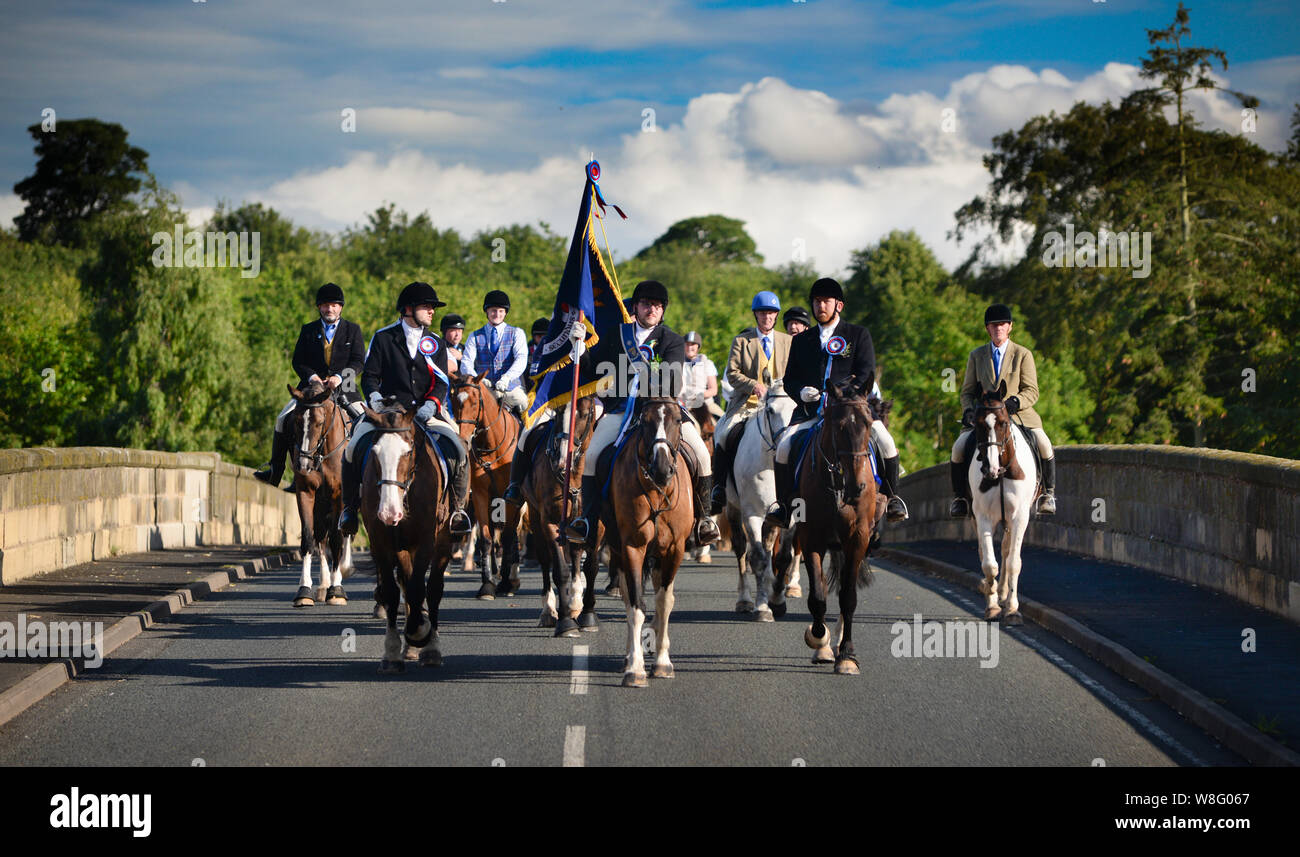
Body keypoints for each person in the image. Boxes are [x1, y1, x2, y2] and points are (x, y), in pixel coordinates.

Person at [564, 280, 721, 548]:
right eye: (647, 304)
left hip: (662, 413)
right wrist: (577, 346)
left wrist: (639, 375)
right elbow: (591, 371)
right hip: (621, 411)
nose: (652, 309)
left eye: (658, 306)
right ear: (635, 306)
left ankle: (704, 519)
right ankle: (587, 521)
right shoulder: (616, 335)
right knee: (590, 457)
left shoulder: (671, 340)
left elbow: (673, 383)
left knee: (703, 455)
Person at [765, 277, 909, 526]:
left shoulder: (858, 335)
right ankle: (785, 506)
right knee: (784, 446)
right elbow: (790, 380)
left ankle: (893, 497)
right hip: (811, 412)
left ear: (838, 306)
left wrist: (843, 394)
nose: (821, 306)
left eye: (826, 301)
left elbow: (866, 373)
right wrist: (801, 392)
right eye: (817, 301)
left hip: (850, 411)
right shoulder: (801, 340)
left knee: (886, 441)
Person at [338, 281, 472, 537]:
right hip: (388, 413)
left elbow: (442, 381)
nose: (432, 311)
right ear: (408, 309)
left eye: (433, 307)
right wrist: (375, 398)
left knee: (458, 447)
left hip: (426, 411)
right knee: (352, 447)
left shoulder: (436, 343)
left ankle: (457, 510)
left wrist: (432, 403)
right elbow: (369, 377)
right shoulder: (384, 337)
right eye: (427, 306)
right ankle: (349, 509)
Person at [254, 283, 366, 488]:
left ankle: (365, 478)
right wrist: (313, 376)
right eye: (324, 305)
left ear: (340, 307)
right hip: (311, 390)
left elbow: (359, 362)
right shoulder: (308, 330)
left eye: (333, 305)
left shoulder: (353, 330)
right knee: (281, 420)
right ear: (318, 307)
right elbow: (298, 361)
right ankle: (276, 470)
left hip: (345, 389)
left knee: (367, 422)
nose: (329, 309)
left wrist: (339, 378)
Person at [949, 304, 1056, 517]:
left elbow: (1032, 390)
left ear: (1010, 327)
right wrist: (969, 411)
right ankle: (960, 498)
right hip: (986, 418)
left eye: (1002, 324)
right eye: (993, 325)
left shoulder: (1023, 354)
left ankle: (1048, 494)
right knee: (958, 448)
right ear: (988, 329)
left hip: (1018, 415)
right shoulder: (976, 356)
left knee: (1044, 443)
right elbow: (967, 392)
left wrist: (1015, 402)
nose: (998, 328)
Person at [710, 290, 790, 513]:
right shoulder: (742, 341)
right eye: (763, 313)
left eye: (771, 313)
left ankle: (796, 489)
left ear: (776, 316)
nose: (767, 317)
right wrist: (753, 385)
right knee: (723, 433)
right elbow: (732, 373)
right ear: (756, 315)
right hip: (747, 404)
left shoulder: (787, 341)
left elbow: (794, 373)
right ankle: (718, 489)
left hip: (780, 403)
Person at [460, 289, 529, 416]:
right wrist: (477, 379)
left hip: (510, 388)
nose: (497, 314)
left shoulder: (517, 333)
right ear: (487, 311)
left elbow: (521, 359)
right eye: (493, 310)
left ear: (505, 313)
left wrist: (507, 378)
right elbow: (466, 362)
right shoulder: (474, 336)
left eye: (501, 311)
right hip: (483, 388)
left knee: (523, 403)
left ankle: (525, 436)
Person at [679, 331, 720, 416]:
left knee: (724, 421)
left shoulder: (708, 363)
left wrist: (697, 396)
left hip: (706, 404)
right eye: (687, 344)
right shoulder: (678, 363)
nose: (689, 347)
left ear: (698, 346)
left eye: (693, 344)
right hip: (683, 404)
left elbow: (713, 390)